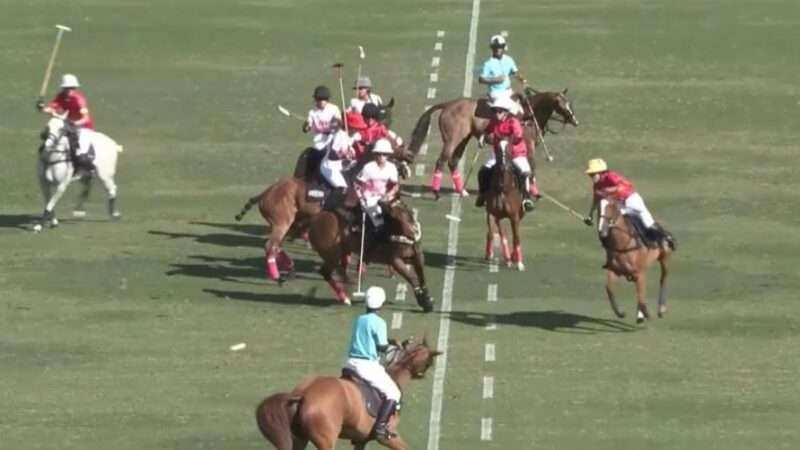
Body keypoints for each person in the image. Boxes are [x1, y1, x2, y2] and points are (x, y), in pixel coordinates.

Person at [343, 286, 400, 440]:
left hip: (350, 363)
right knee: (394, 393)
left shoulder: (359, 319)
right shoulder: (379, 322)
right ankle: (380, 428)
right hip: (367, 366)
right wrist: (394, 346)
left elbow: (369, 338)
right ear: (381, 304)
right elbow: (381, 347)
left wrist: (390, 341)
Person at [584, 158, 672, 248]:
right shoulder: (597, 185)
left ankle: (666, 237)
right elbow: (596, 199)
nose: (591, 176)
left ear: (601, 172)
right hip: (619, 203)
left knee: (648, 222)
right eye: (590, 175)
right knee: (610, 221)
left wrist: (608, 190)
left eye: (592, 174)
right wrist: (590, 215)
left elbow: (625, 185)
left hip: (631, 199)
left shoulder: (611, 176)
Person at [475, 97, 538, 212]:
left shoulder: (513, 121)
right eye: (494, 111)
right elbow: (487, 130)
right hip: (499, 154)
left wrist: (507, 141)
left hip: (516, 153)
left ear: (505, 112)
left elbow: (518, 136)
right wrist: (482, 138)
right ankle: (483, 194)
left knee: (525, 172)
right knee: (483, 171)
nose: (496, 114)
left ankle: (526, 198)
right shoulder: (494, 121)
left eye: (499, 111)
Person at [37, 73, 95, 170]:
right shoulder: (61, 96)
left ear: (74, 88)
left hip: (83, 126)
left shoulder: (79, 99)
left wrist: (74, 123)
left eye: (71, 88)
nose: (68, 90)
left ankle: (83, 165)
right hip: (68, 124)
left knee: (77, 145)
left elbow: (85, 118)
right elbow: (51, 108)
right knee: (49, 133)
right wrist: (41, 108)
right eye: (66, 88)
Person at [353, 139, 399, 245]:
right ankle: (378, 236)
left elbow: (395, 185)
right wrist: (361, 198)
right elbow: (357, 184)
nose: (382, 156)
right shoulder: (368, 167)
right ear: (375, 155)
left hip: (385, 196)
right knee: (376, 215)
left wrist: (389, 194)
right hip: (369, 197)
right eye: (379, 154)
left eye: (385, 154)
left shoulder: (391, 168)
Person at [477, 35, 526, 115]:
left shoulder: (509, 60)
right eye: (495, 47)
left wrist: (523, 80)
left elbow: (515, 73)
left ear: (504, 48)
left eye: (500, 47)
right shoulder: (488, 64)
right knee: (514, 111)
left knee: (522, 109)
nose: (497, 49)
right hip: (496, 94)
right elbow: (481, 79)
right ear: (492, 48)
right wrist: (495, 80)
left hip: (509, 92)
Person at [303, 85, 342, 179]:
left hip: (333, 136)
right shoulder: (312, 112)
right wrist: (307, 125)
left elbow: (339, 123)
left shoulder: (334, 109)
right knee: (319, 150)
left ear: (327, 100)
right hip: (320, 138)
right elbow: (306, 129)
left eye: (323, 100)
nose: (321, 102)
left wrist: (336, 122)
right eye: (319, 100)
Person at [320, 111, 366, 190]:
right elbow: (332, 156)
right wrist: (344, 154)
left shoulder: (354, 134)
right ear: (350, 127)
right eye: (356, 128)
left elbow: (362, 139)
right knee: (343, 188)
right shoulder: (340, 136)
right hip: (331, 167)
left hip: (345, 165)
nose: (358, 130)